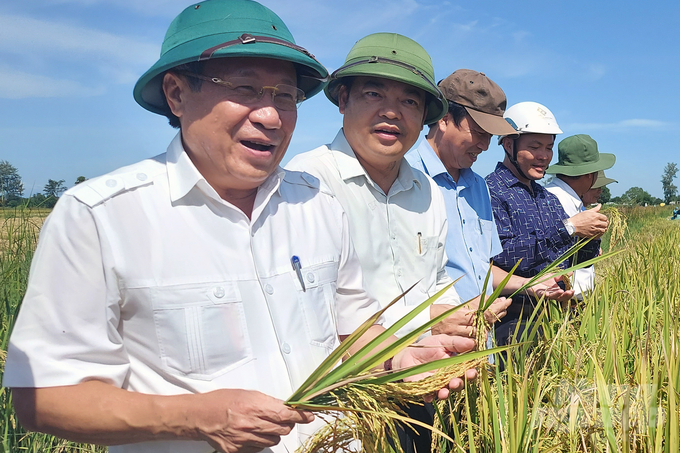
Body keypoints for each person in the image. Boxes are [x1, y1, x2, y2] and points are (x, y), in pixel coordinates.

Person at [3, 3, 476, 453]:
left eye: (285, 96)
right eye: (245, 89)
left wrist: (397, 358)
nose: (270, 116)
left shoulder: (316, 203)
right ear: (176, 93)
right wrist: (195, 417)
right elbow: (44, 395)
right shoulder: (102, 216)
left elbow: (352, 327)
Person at [287, 34, 509, 453]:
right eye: (373, 93)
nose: (391, 112)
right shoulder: (307, 185)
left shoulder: (426, 190)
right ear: (342, 99)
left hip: (425, 384)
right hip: (346, 406)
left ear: (425, 114)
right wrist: (424, 326)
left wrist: (453, 312)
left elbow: (435, 278)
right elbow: (310, 315)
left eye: (410, 101)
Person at [406, 70, 573, 308]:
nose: (484, 146)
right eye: (478, 133)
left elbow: (481, 268)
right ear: (443, 118)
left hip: (482, 333)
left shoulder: (478, 188)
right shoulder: (404, 178)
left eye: (489, 136)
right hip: (430, 338)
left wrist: (530, 284)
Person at [486, 102, 605, 346]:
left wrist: (592, 237)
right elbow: (503, 254)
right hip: (511, 318)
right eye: (535, 146)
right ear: (509, 145)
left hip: (554, 312)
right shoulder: (490, 191)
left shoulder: (547, 198)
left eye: (549, 147)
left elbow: (573, 261)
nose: (544, 155)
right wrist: (569, 228)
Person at [545, 134, 615, 298]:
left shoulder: (573, 201)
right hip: (561, 301)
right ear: (590, 174)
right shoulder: (552, 199)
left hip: (573, 297)